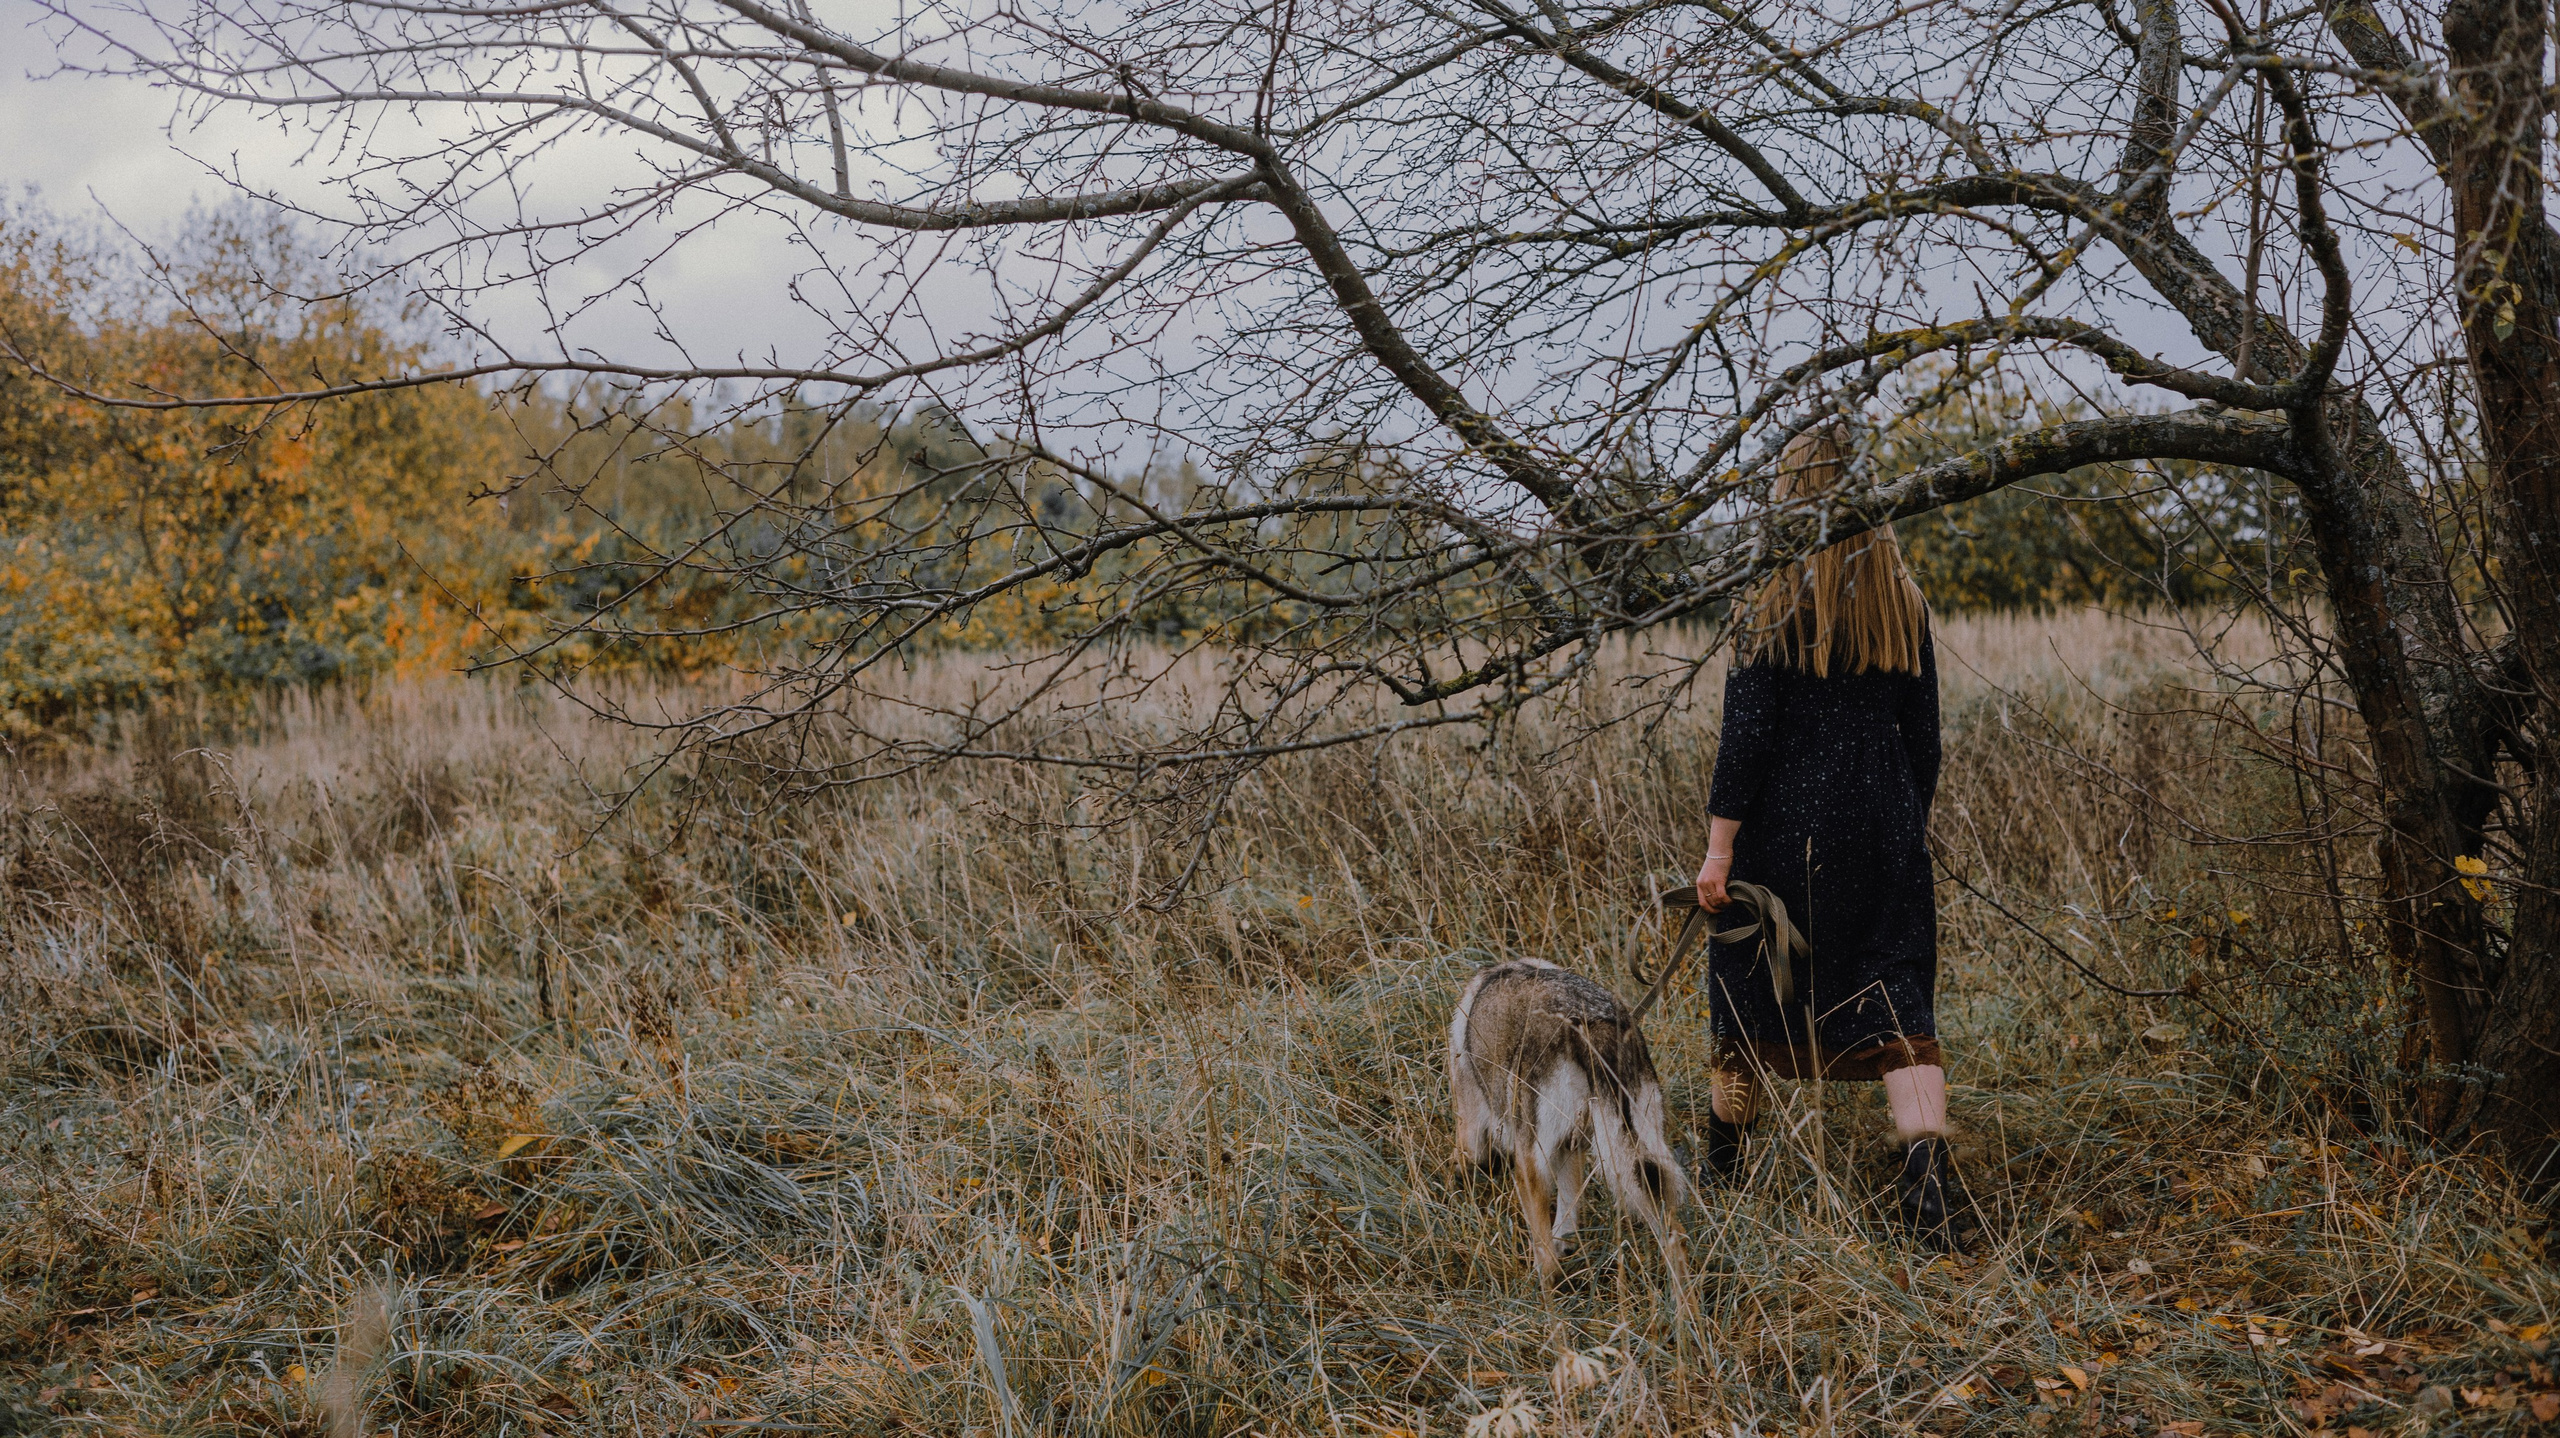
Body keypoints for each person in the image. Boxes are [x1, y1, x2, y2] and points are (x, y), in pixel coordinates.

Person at [1693, 425, 1963, 1246]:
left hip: (1784, 831)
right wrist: (1898, 827)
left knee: (1745, 984)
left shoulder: (1767, 599)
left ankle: (1722, 1167)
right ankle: (1932, 1196)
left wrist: (1718, 849)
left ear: (1789, 492)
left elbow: (1746, 741)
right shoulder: (1902, 599)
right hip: (1885, 823)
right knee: (1895, 993)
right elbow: (1928, 741)